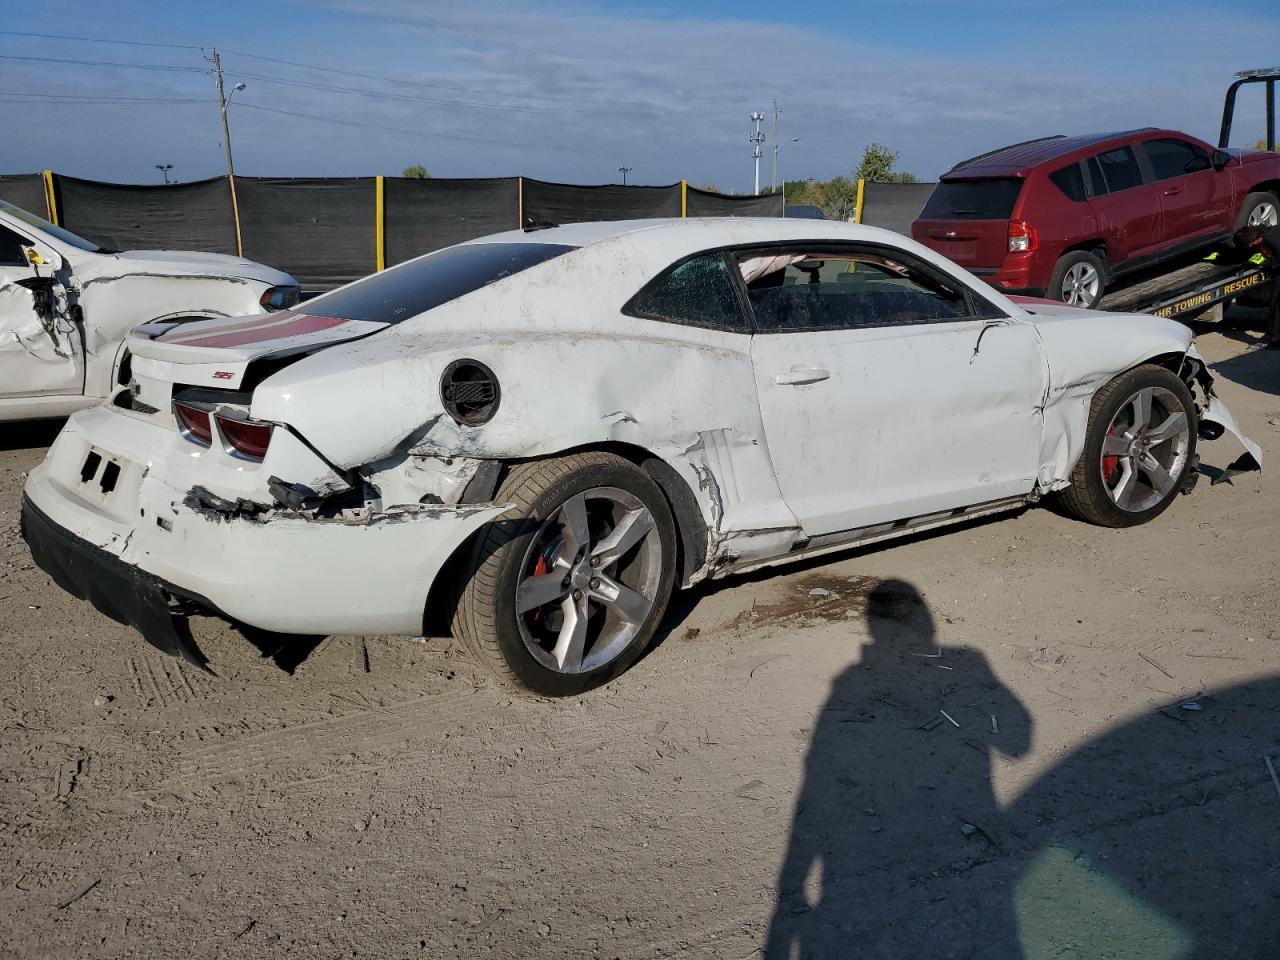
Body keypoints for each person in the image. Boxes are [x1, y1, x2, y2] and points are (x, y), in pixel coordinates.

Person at [1205, 224, 1280, 349]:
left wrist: (1270, 266)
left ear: (1254, 241)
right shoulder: (1266, 233)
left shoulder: (1272, 241)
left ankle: (1273, 339)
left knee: (1276, 304)